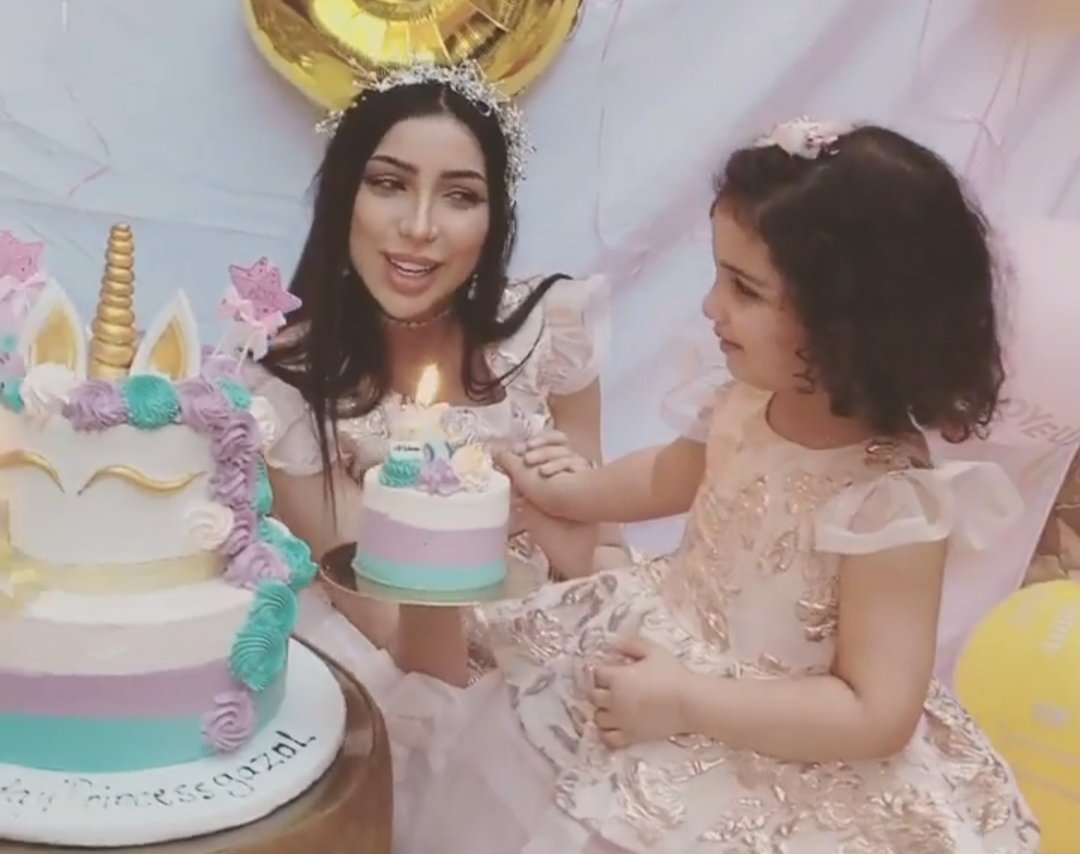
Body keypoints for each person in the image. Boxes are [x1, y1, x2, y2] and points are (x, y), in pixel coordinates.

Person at [388, 121, 1039, 853]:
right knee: (517, 752)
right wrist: (574, 495)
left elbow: (875, 711)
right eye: (718, 275)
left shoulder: (888, 501)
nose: (709, 307)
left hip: (772, 731)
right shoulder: (746, 400)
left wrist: (690, 702)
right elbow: (670, 474)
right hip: (667, 638)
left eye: (745, 289)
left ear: (851, 322)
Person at [245, 62, 625, 672]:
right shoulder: (289, 399)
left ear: (494, 218)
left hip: (579, 663)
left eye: (460, 196)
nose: (419, 227)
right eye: (388, 184)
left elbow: (609, 559)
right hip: (429, 688)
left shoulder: (550, 333)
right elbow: (410, 654)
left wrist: (578, 546)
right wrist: (451, 525)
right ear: (344, 196)